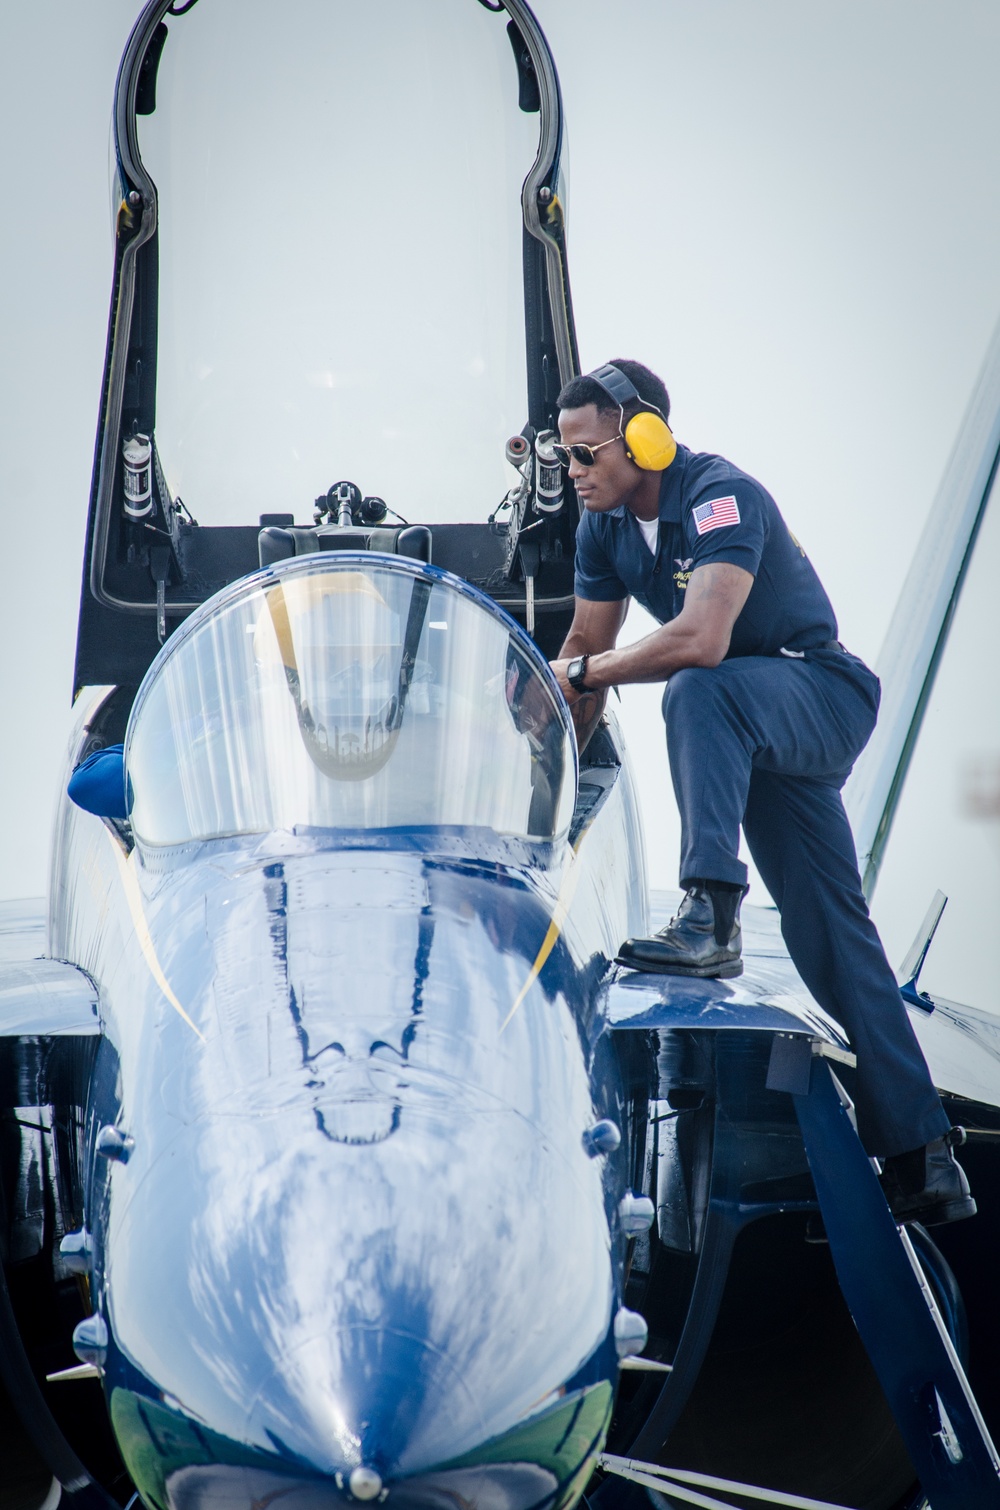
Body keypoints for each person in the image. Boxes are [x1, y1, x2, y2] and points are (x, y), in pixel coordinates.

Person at [549, 358, 973, 1228]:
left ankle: (711, 913)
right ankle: (924, 1157)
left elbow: (701, 641)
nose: (575, 474)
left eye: (587, 455)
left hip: (816, 691)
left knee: (696, 687)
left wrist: (582, 669)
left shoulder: (718, 496)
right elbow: (577, 680)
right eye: (564, 459)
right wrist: (538, 807)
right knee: (828, 935)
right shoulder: (602, 529)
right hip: (754, 721)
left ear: (644, 436)